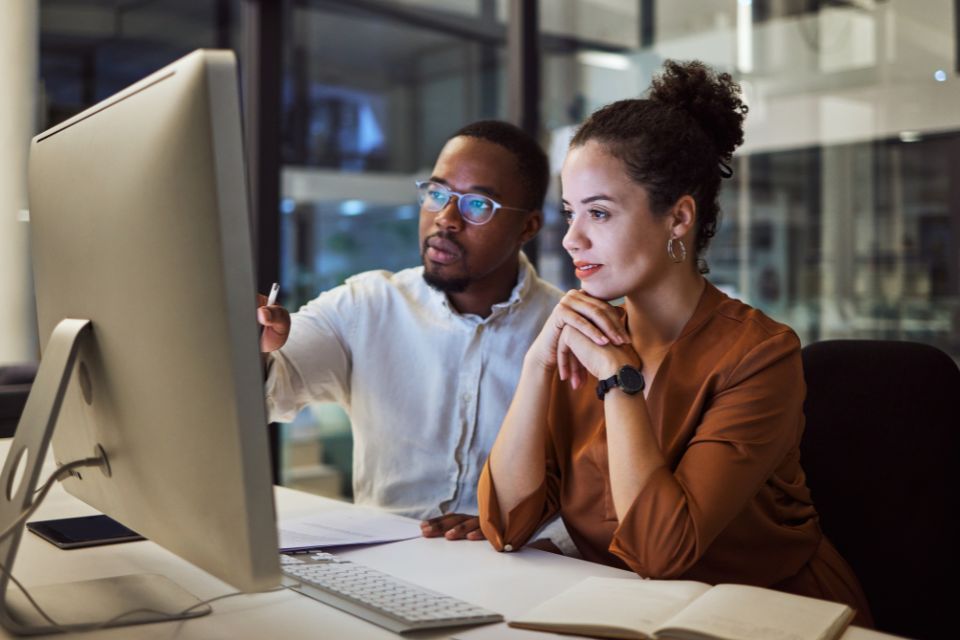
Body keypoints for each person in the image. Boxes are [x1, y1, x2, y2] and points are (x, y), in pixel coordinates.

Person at [477, 61, 873, 625]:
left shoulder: (760, 355)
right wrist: (538, 363)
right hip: (622, 612)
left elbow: (662, 553)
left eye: (600, 212)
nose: (572, 238)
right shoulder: (582, 338)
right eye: (569, 213)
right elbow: (505, 525)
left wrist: (619, 381)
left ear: (679, 217)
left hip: (766, 617)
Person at [258, 120, 563, 542]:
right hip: (380, 560)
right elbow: (269, 393)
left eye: (477, 205)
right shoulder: (366, 305)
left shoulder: (565, 330)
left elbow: (597, 493)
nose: (446, 218)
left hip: (514, 562)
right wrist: (258, 349)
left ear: (528, 227)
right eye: (437, 194)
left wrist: (525, 530)